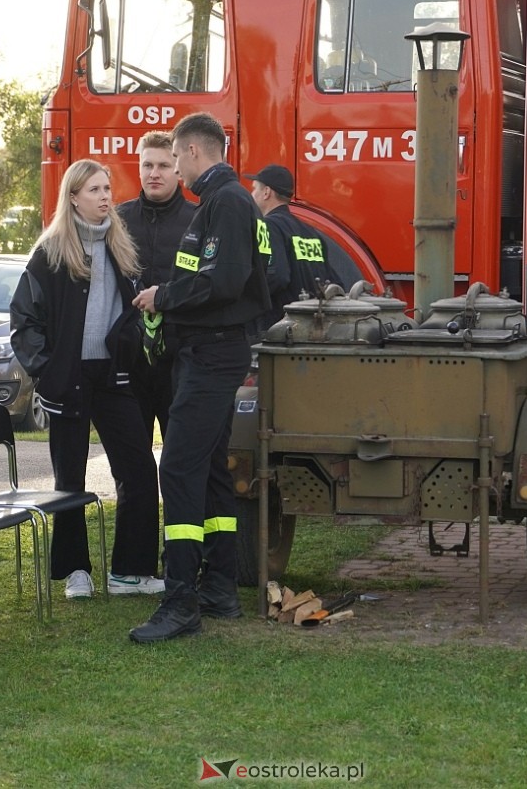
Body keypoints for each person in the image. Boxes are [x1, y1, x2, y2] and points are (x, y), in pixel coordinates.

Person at [130, 112, 271, 643]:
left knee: (181, 468)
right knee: (210, 469)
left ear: (192, 152)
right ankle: (219, 588)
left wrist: (162, 296)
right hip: (206, 352)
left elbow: (225, 280)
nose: (175, 173)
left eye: (176, 160)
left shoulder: (226, 203)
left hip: (213, 353)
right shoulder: (222, 203)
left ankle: (180, 600)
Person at [10, 159, 163, 600]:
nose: (104, 196)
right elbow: (24, 320)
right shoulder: (51, 252)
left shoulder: (121, 246)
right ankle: (76, 570)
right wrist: (48, 370)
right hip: (68, 379)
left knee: (137, 468)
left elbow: (133, 311)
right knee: (69, 478)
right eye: (94, 189)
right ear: (72, 196)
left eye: (107, 188)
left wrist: (131, 345)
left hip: (114, 376)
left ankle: (130, 571)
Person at [117, 130, 195, 443]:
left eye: (163, 165)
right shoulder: (118, 221)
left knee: (179, 454)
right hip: (130, 359)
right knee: (131, 460)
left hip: (181, 358)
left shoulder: (198, 220)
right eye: (147, 165)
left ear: (177, 168)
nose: (154, 173)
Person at [247, 163, 361, 327]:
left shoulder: (267, 227)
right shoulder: (311, 233)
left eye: (254, 189)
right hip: (312, 327)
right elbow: (335, 284)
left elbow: (276, 277)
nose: (252, 195)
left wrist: (246, 300)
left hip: (280, 328)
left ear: (266, 192)